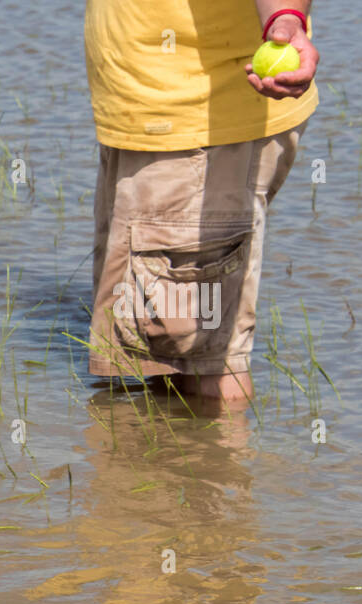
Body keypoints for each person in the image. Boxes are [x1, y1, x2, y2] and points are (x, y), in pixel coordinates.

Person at [84, 1, 320, 406]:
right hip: (146, 117)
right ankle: (170, 466)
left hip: (196, 125)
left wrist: (285, 16)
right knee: (160, 351)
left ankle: (218, 465)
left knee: (207, 363)